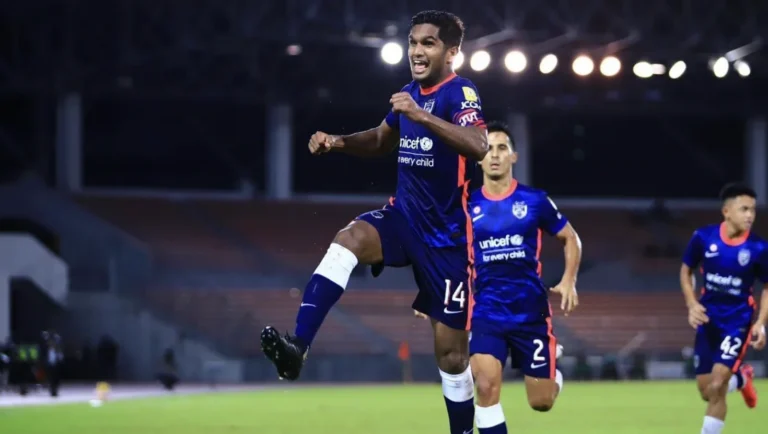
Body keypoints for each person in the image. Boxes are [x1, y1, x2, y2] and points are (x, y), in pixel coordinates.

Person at [261, 10, 487, 434]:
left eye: (428, 43)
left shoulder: (460, 92)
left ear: (451, 52)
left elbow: (478, 145)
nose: (416, 51)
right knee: (349, 239)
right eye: (413, 42)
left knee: (452, 358)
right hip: (403, 218)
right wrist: (339, 142)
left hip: (448, 241)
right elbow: (383, 139)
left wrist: (420, 115)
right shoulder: (408, 93)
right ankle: (298, 346)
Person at [466, 121, 581, 433]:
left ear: (513, 156)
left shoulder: (534, 200)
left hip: (530, 312)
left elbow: (570, 238)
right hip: (487, 311)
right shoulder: (467, 205)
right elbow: (447, 253)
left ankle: (553, 372)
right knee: (485, 388)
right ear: (479, 157)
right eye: (488, 148)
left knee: (541, 402)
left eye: (502, 148)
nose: (494, 155)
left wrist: (569, 279)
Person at [680, 182, 768, 434]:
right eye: (744, 209)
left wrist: (760, 323)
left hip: (737, 322)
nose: (750, 215)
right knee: (707, 391)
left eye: (753, 210)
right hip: (708, 320)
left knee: (718, 384)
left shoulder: (759, 248)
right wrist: (691, 304)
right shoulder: (703, 238)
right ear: (726, 211)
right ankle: (741, 378)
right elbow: (686, 270)